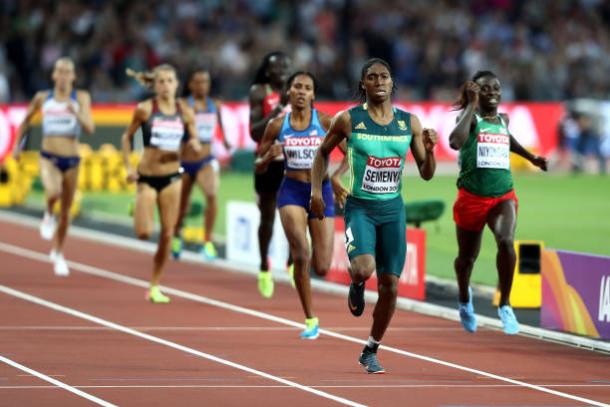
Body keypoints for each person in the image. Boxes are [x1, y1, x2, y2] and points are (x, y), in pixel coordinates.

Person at [311, 58, 438, 373]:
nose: (379, 81)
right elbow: (322, 153)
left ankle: (371, 349)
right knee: (364, 268)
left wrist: (431, 151)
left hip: (393, 209)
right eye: (372, 77)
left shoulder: (410, 124)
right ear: (363, 85)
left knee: (390, 286)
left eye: (384, 76)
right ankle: (356, 281)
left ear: (392, 83)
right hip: (361, 207)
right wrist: (316, 191)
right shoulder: (348, 120)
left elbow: (426, 174)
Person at [449, 70, 548, 335]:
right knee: (466, 259)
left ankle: (505, 304)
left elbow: (509, 141)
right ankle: (464, 300)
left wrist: (531, 158)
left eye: (496, 88)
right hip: (471, 198)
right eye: (485, 88)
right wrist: (470, 105)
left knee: (506, 241)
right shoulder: (469, 118)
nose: (492, 92)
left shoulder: (503, 120)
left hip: (503, 195)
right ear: (475, 93)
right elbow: (455, 142)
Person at [256, 71, 345, 339]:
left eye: (307, 88)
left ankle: (304, 269)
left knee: (322, 266)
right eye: (297, 87)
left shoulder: (327, 122)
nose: (302, 92)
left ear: (314, 94)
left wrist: (338, 176)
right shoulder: (276, 125)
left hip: (322, 190)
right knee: (301, 253)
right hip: (292, 191)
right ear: (289, 92)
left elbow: (352, 149)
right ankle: (310, 320)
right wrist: (268, 158)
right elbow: (259, 167)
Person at [122, 64, 200, 303]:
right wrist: (128, 167)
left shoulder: (185, 111)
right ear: (155, 86)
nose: (166, 85)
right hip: (146, 177)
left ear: (177, 85)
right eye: (161, 81)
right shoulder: (145, 109)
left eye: (169, 81)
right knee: (144, 233)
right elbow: (127, 136)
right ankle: (137, 206)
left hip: (172, 178)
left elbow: (193, 135)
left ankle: (154, 286)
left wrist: (194, 143)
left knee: (167, 233)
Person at [13, 57, 94, 277]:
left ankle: (58, 253)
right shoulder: (43, 98)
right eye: (60, 71)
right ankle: (48, 213)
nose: (64, 75)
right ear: (54, 75)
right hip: (48, 156)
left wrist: (75, 111)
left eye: (68, 71)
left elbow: (90, 128)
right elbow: (26, 121)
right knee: (53, 192)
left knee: (67, 213)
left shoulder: (81, 97)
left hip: (72, 159)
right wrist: (17, 146)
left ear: (74, 77)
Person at [171, 68, 231, 260]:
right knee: (182, 205)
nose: (202, 85)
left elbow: (220, 123)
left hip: (206, 159)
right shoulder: (182, 104)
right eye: (197, 82)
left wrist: (227, 139)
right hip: (185, 161)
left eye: (205, 82)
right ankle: (176, 235)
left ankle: (207, 242)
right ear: (190, 85)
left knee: (212, 195)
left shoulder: (214, 104)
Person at [249, 51, 292, 298]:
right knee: (268, 218)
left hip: (293, 160)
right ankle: (264, 266)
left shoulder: (297, 89)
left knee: (296, 214)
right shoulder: (259, 92)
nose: (283, 70)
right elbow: (255, 133)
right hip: (267, 161)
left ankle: (293, 262)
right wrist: (277, 108)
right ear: (268, 71)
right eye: (278, 66)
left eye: (287, 65)